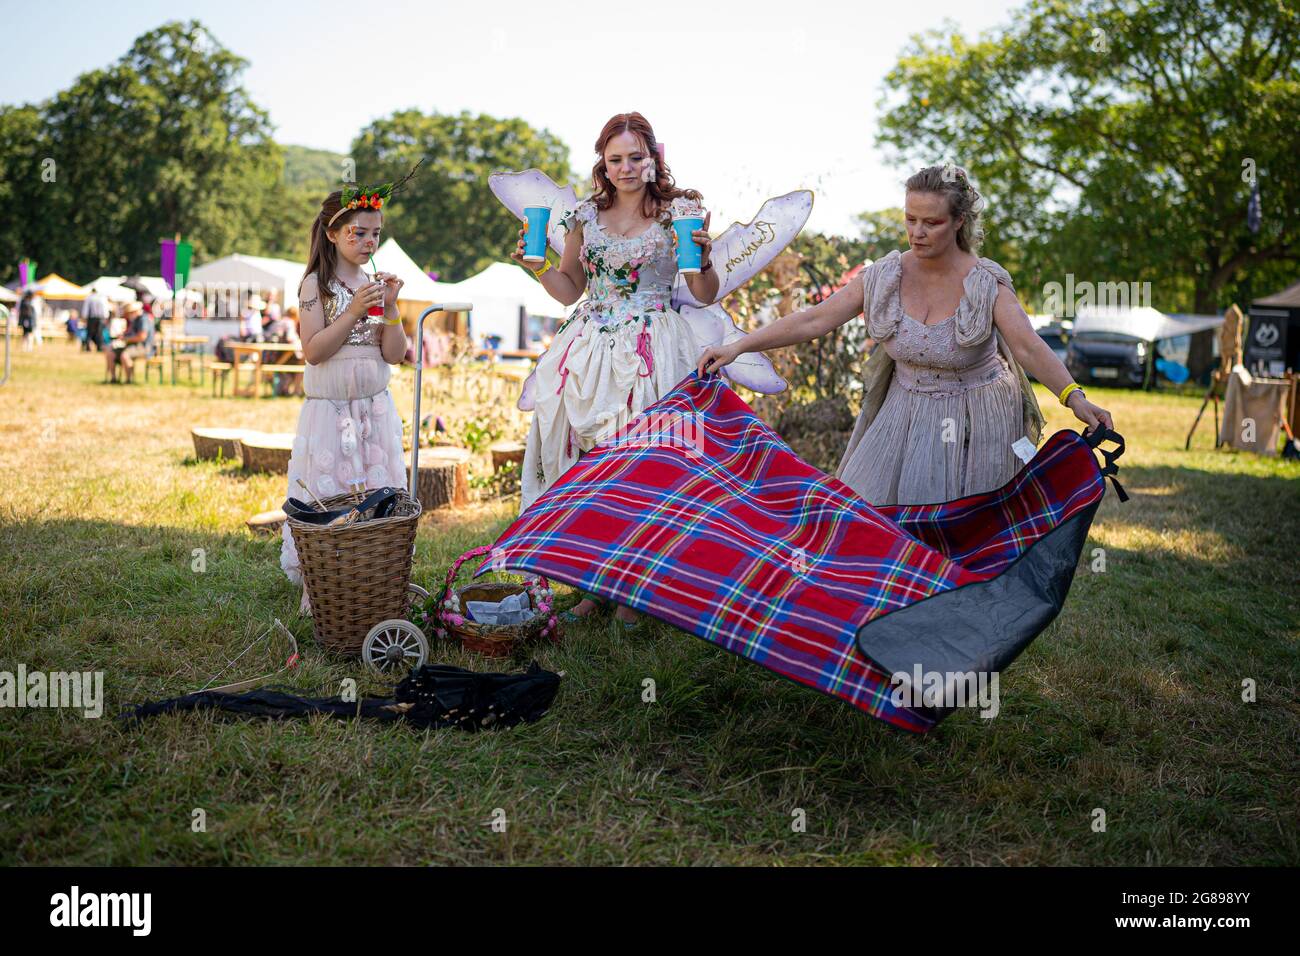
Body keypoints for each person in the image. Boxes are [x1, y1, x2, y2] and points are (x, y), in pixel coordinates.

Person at [698, 163, 1115, 507]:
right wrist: (738, 346)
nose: (917, 232)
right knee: (868, 513)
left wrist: (1075, 398)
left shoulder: (986, 282)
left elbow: (1028, 345)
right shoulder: (884, 275)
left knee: (961, 527)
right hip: (904, 407)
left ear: (958, 223)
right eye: (910, 220)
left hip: (977, 415)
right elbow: (814, 319)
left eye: (931, 223)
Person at [510, 111, 716, 632]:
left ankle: (638, 589)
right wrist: (534, 265)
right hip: (588, 348)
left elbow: (703, 293)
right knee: (588, 464)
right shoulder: (586, 214)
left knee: (643, 468)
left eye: (636, 157)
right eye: (616, 158)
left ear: (654, 159)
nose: (626, 167)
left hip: (654, 349)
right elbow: (568, 289)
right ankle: (592, 585)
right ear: (603, 161)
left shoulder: (680, 213)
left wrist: (706, 261)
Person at [280, 165, 421, 614]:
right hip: (331, 411)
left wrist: (393, 308)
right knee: (331, 492)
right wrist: (352, 312)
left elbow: (394, 353)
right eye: (359, 233)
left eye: (375, 235)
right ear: (333, 233)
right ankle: (319, 583)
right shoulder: (314, 286)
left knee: (374, 490)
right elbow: (313, 350)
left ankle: (374, 576)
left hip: (374, 410)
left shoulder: (372, 287)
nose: (369, 243)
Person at [116, 300, 154, 384]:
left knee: (125, 355)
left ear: (135, 311)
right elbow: (130, 333)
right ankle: (114, 378)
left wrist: (126, 339)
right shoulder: (136, 320)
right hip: (136, 346)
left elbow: (142, 337)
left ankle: (129, 380)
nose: (129, 315)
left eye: (130, 313)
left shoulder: (143, 319)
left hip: (145, 347)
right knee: (112, 352)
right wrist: (123, 336)